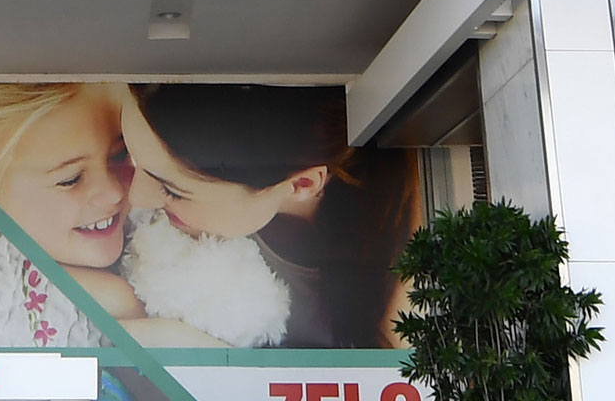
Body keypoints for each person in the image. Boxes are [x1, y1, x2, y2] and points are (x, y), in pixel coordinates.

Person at [120, 82, 419, 347]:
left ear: (302, 184)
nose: (135, 198)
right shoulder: (156, 241)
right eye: (128, 156)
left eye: (172, 190)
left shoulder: (402, 279)